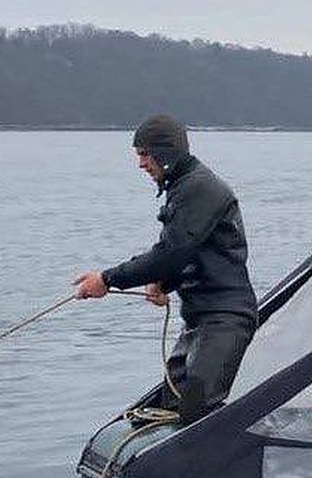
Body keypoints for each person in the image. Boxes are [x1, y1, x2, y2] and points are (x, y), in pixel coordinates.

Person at [73, 115, 258, 424]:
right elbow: (184, 253)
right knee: (170, 404)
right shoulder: (183, 187)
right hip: (198, 321)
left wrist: (107, 279)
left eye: (145, 155)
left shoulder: (200, 188)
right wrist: (164, 282)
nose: (141, 164)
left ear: (166, 152)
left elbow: (171, 254)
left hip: (225, 319)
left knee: (194, 415)